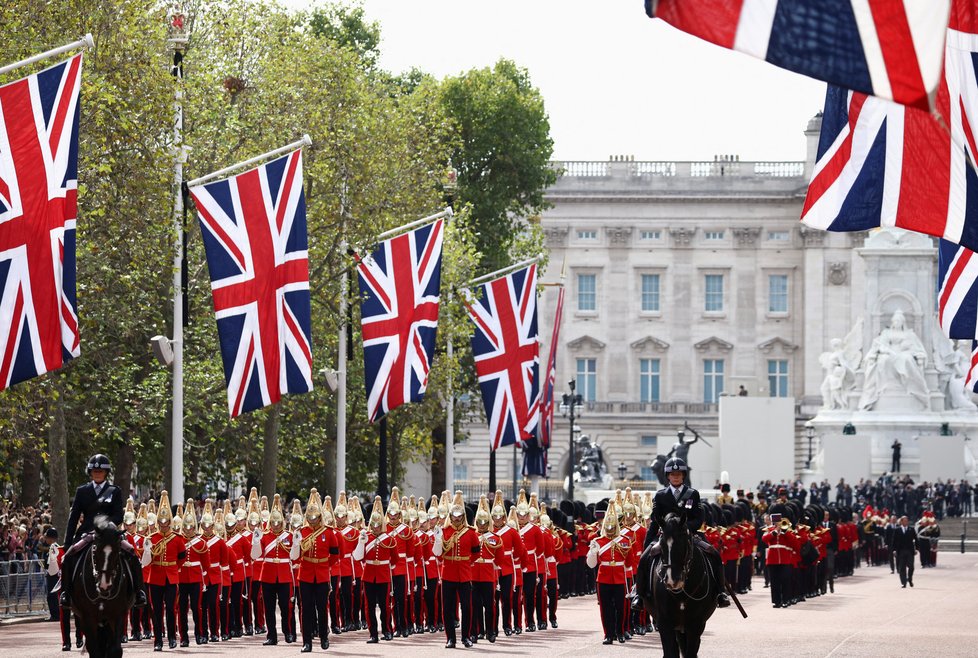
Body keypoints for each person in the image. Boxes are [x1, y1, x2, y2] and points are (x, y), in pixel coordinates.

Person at [633, 457, 729, 609]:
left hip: (689, 534)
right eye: (672, 474)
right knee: (644, 559)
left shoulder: (692, 494)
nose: (675, 476)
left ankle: (720, 592)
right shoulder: (660, 495)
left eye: (678, 474)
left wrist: (685, 528)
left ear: (683, 475)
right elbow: (655, 520)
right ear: (668, 476)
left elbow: (699, 518)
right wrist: (647, 544)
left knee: (714, 555)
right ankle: (639, 594)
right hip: (665, 537)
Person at [57, 454, 147, 609]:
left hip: (109, 534)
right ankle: (66, 593)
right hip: (87, 534)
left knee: (132, 554)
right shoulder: (82, 491)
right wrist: (67, 542)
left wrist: (106, 526)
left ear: (106, 473)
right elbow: (74, 518)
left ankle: (138, 592)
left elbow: (119, 515)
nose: (97, 473)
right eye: (94, 471)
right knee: (68, 557)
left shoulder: (114, 491)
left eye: (100, 471)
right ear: (90, 472)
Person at [433, 492, 480, 648]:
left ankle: (465, 637)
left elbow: (476, 553)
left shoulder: (471, 533)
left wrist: (465, 563)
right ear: (451, 516)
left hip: (465, 574)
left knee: (466, 607)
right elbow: (438, 554)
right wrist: (438, 540)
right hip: (448, 573)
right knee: (447, 608)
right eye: (454, 515)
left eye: (460, 515)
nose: (457, 518)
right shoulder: (444, 531)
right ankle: (450, 638)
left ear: (463, 516)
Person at [892, 515, 916, 588]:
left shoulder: (911, 529)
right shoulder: (897, 530)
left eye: (907, 521)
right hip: (901, 551)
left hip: (909, 551)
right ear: (901, 522)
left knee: (911, 566)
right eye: (904, 521)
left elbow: (916, 539)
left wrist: (917, 549)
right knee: (902, 567)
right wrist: (894, 550)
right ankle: (903, 582)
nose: (906, 522)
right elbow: (894, 541)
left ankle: (910, 579)